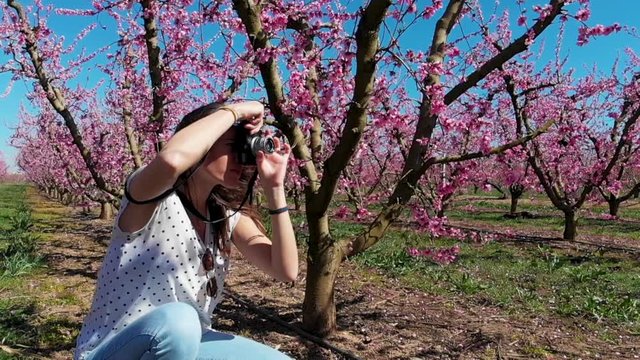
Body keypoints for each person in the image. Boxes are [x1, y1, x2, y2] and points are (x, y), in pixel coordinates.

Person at [74, 101, 298, 360]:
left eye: (243, 149)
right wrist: (236, 111)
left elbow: (285, 270)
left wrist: (275, 187)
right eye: (232, 147)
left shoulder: (224, 215)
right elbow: (172, 160)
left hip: (189, 343)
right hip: (118, 349)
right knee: (180, 321)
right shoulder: (152, 196)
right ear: (201, 147)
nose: (241, 158)